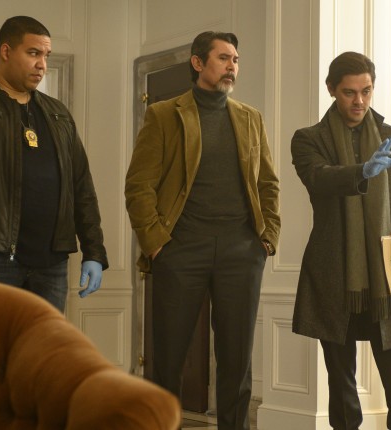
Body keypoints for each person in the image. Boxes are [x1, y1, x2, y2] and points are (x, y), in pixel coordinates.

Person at [125, 31, 280, 430]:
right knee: (168, 357)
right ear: (198, 63)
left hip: (241, 251)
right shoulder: (164, 114)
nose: (232, 66)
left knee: (237, 360)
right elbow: (139, 186)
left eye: (236, 60)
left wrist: (267, 238)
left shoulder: (250, 117)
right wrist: (157, 243)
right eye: (224, 58)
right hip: (180, 250)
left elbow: (268, 182)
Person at [290, 52, 391, 430]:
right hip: (335, 277)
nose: (359, 101)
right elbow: (319, 178)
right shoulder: (309, 139)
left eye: (366, 91)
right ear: (331, 90)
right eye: (349, 92)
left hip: (389, 277)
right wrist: (362, 172)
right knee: (342, 388)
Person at [0, 16, 108, 313]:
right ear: (6, 51)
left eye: (46, 56)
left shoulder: (58, 114)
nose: (42, 65)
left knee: (43, 344)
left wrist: (94, 251)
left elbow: (81, 188)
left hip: (52, 264)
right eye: (33, 53)